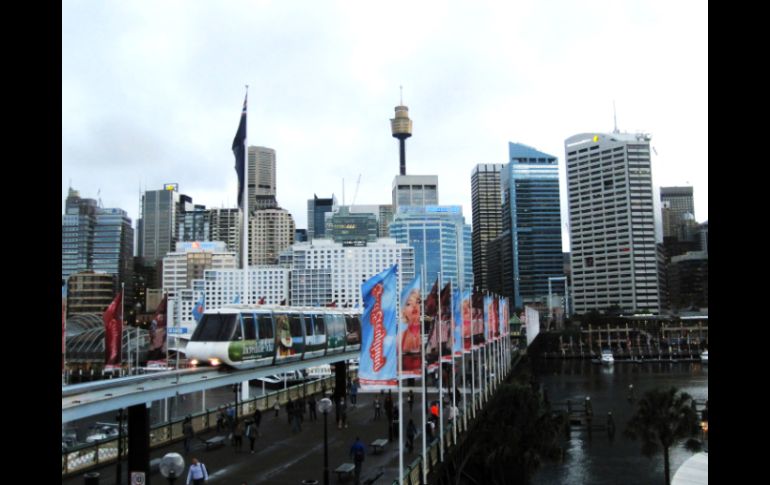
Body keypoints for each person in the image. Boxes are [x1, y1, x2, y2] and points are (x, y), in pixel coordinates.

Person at [401, 288, 422, 373]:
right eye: (409, 304)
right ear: (404, 311)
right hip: (407, 367)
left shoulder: (424, 327)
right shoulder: (402, 334)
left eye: (417, 302)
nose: (414, 306)